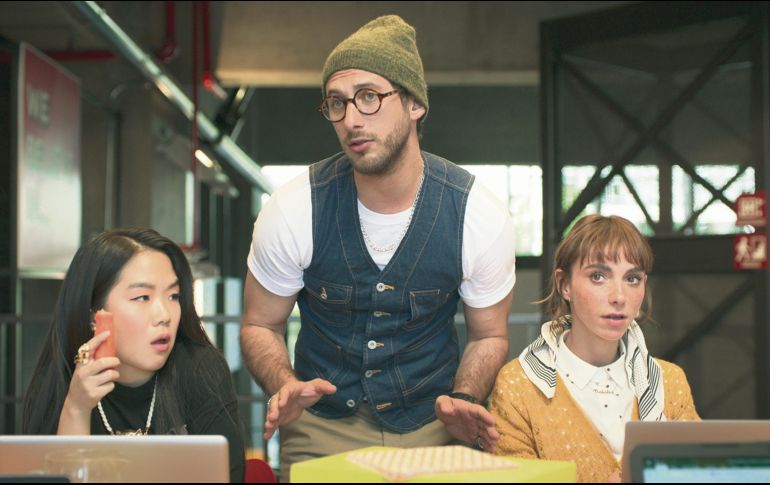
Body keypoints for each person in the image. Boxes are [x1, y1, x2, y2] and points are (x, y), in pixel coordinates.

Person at [240, 14, 516, 476]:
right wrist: (284, 384)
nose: (351, 120)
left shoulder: (476, 213)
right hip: (322, 426)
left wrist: (464, 397)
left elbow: (489, 335)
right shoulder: (294, 208)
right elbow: (259, 324)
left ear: (414, 103)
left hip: (432, 422)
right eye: (337, 103)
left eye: (369, 97)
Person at [488, 214, 699, 482]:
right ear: (564, 284)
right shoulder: (519, 386)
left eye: (632, 278)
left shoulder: (669, 382)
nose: (619, 297)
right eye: (598, 276)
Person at [23, 228, 245, 483]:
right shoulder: (60, 380)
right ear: (94, 315)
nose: (164, 315)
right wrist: (76, 409)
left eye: (173, 296)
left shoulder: (200, 369)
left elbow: (229, 476)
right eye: (142, 297)